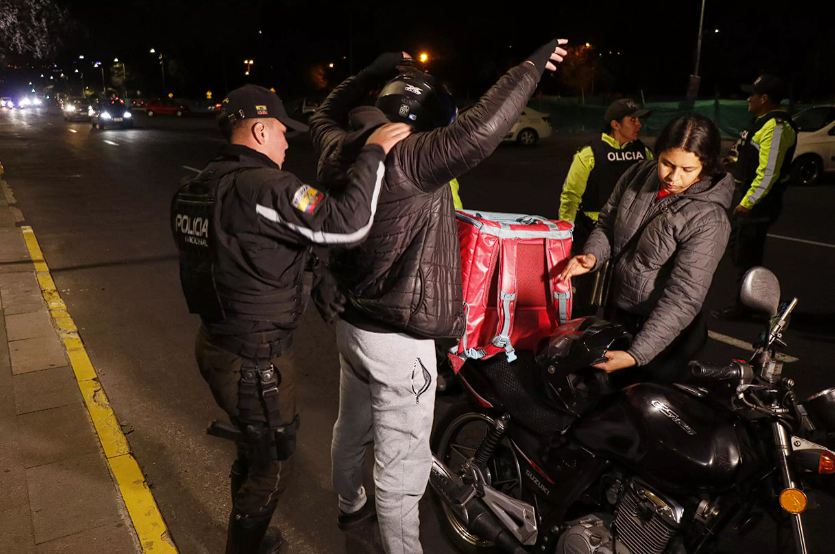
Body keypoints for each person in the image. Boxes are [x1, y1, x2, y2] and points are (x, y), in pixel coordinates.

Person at [309, 40, 567, 554]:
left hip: (352, 327)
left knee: (352, 423)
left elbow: (325, 111)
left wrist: (371, 68)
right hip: (398, 340)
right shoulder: (411, 157)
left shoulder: (338, 145)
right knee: (402, 465)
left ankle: (349, 505)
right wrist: (530, 66)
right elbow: (483, 127)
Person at [171, 84, 410, 554]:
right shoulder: (266, 185)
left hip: (217, 344)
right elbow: (347, 223)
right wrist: (375, 153)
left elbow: (246, 253)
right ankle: (245, 549)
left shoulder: (198, 187)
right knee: (274, 464)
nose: (286, 143)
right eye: (282, 132)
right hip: (254, 360)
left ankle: (250, 537)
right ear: (259, 128)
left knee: (253, 446)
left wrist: (315, 273)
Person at [559, 114, 733, 385]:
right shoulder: (638, 174)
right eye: (667, 163)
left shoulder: (709, 219)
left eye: (688, 169)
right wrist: (593, 255)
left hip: (664, 336)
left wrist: (637, 353)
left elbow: (683, 297)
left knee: (642, 410)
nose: (674, 177)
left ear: (706, 165)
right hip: (620, 313)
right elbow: (607, 223)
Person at [712, 74, 798, 321]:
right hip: (753, 199)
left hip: (759, 205)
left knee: (746, 255)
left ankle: (744, 307)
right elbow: (757, 158)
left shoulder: (776, 127)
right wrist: (735, 161)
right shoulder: (762, 122)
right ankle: (749, 302)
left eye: (752, 94)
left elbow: (769, 172)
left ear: (765, 98)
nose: (747, 98)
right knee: (742, 252)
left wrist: (748, 203)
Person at [559, 98, 652, 315]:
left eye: (639, 120)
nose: (639, 124)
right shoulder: (590, 153)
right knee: (587, 295)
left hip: (629, 234)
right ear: (615, 124)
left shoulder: (644, 153)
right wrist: (565, 233)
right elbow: (570, 196)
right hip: (593, 231)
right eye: (633, 120)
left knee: (622, 295)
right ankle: (579, 337)